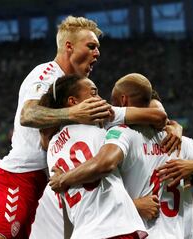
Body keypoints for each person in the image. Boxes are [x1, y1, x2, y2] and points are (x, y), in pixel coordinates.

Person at [0, 16, 112, 239]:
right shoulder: (46, 74)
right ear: (69, 46)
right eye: (91, 46)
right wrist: (72, 113)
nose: (97, 53)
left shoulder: (72, 89)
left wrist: (168, 124)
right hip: (20, 176)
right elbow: (28, 114)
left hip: (44, 183)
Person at [49, 73, 193, 238]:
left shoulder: (119, 135)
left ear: (122, 101)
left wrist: (191, 166)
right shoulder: (178, 142)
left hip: (134, 231)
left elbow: (102, 170)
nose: (104, 102)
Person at [40, 74, 148, 238]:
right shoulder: (98, 128)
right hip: (114, 228)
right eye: (93, 93)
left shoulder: (52, 149)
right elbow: (105, 164)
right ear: (73, 102)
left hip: (83, 231)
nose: (101, 99)